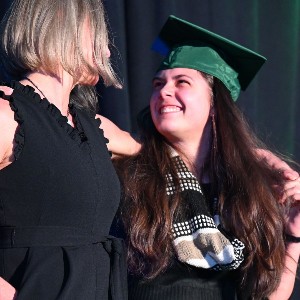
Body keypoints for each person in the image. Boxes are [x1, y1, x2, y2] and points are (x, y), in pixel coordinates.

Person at [111, 16, 300, 300]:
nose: (164, 92)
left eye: (182, 82)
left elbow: (268, 295)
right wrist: (139, 150)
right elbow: (95, 130)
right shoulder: (133, 173)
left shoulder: (246, 189)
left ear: (214, 103)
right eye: (158, 84)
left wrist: (294, 237)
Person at [0, 0, 132, 299]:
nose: (107, 51)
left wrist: (246, 155)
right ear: (63, 26)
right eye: (98, 35)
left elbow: (158, 152)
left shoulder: (91, 126)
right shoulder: (6, 115)